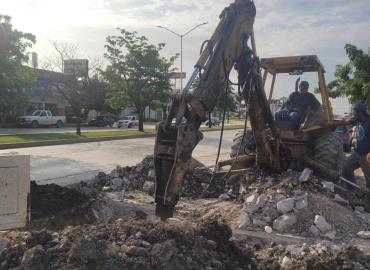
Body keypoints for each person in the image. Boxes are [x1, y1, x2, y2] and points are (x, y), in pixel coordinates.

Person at [342, 102, 370, 190]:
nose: (353, 113)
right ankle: (352, 190)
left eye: (355, 112)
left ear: (360, 113)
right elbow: (347, 122)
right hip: (357, 153)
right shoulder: (357, 120)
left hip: (366, 156)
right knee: (346, 168)